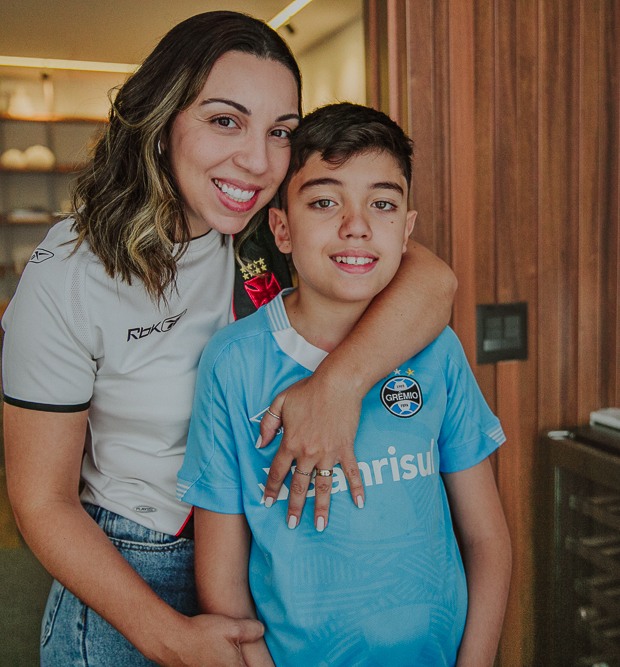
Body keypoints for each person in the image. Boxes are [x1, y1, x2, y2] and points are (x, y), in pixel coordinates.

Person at [0, 12, 457, 667]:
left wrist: (337, 385)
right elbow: (41, 500)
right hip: (133, 568)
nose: (256, 159)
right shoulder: (70, 271)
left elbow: (434, 283)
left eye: (281, 133)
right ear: (161, 121)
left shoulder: (268, 227)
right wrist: (171, 636)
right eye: (224, 121)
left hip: (270, 549)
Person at [177, 103, 512, 667]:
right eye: (325, 202)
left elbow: (487, 540)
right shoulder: (233, 363)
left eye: (381, 204)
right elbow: (221, 574)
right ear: (281, 228)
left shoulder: (437, 350)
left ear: (407, 230)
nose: (356, 225)